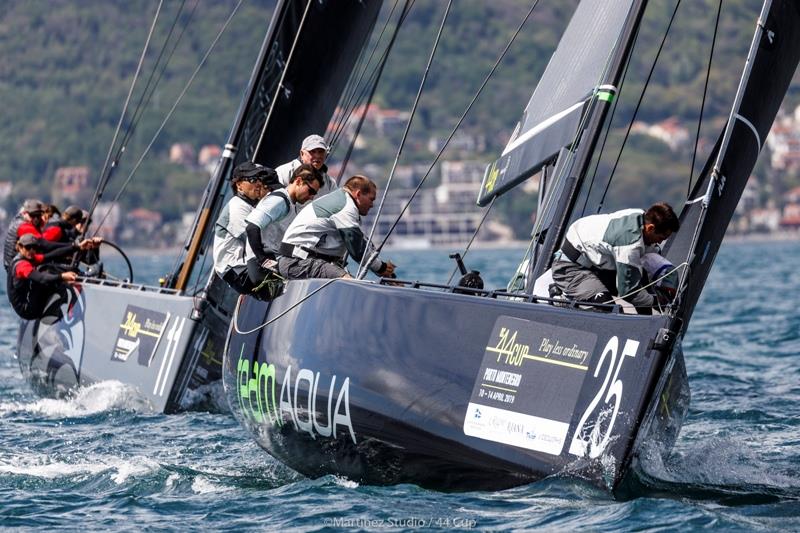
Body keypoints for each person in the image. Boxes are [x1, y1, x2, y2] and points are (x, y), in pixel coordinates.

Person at [550, 202, 680, 314]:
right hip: (571, 268)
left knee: (642, 296)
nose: (657, 243)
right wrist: (657, 302)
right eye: (660, 238)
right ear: (650, 228)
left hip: (596, 265)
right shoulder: (629, 245)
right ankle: (563, 298)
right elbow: (629, 292)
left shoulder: (640, 215)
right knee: (609, 310)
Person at [278, 175, 397, 280]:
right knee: (348, 281)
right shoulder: (346, 207)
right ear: (358, 194)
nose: (372, 205)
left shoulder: (341, 200)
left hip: (299, 261)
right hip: (296, 262)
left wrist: (384, 270)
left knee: (347, 278)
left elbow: (361, 241)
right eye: (371, 199)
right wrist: (381, 268)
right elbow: (357, 249)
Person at [244, 163, 323, 292]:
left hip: (275, 259)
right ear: (298, 181)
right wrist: (263, 260)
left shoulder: (291, 203)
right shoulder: (279, 201)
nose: (312, 197)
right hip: (261, 267)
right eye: (311, 191)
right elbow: (251, 227)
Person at [260, 135, 339, 254]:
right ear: (302, 154)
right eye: (313, 152)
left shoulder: (329, 183)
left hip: (305, 246)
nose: (317, 156)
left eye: (321, 152)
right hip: (274, 241)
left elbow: (336, 212)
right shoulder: (283, 172)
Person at [212, 161, 277, 294]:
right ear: (239, 186)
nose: (258, 183)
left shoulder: (251, 205)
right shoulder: (237, 207)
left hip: (245, 267)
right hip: (237, 272)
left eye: (260, 179)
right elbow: (258, 241)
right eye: (253, 179)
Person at [6, 233, 80, 319]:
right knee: (46, 270)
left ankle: (76, 275)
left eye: (34, 248)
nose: (32, 250)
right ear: (20, 247)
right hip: (27, 310)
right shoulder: (21, 265)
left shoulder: (27, 257)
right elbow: (41, 279)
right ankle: (68, 301)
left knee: (47, 266)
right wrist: (62, 276)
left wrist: (76, 247)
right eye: (28, 247)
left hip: (26, 305)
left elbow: (52, 255)